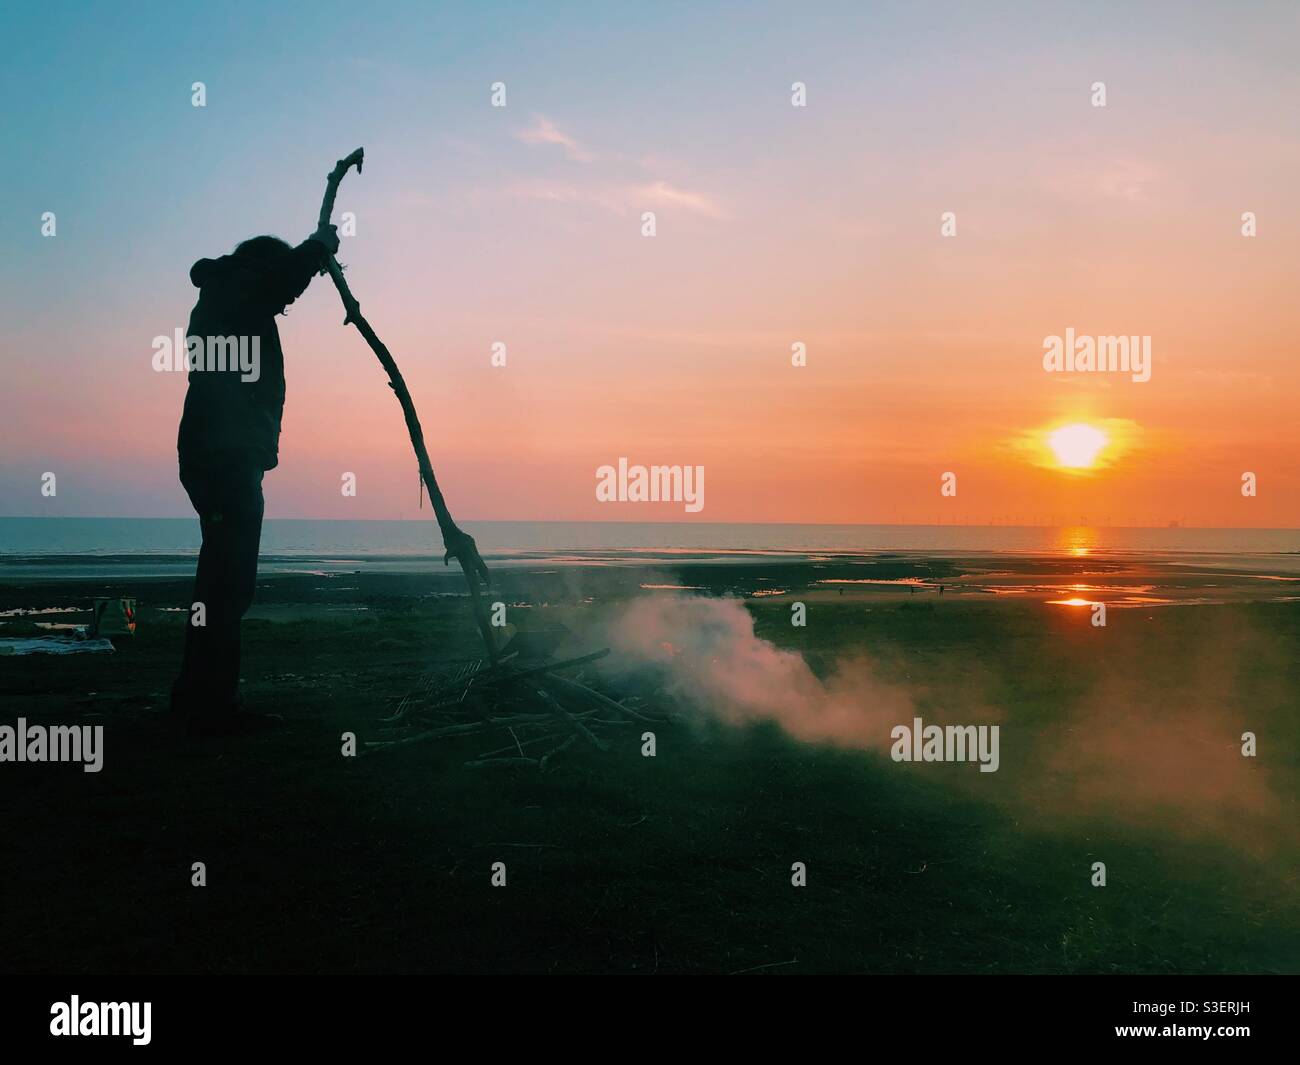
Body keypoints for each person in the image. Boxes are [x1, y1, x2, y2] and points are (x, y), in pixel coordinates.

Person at [171, 224, 340, 734]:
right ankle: (210, 705)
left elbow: (276, 290)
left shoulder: (226, 293)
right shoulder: (237, 288)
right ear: (262, 267)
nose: (283, 310)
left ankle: (200, 698)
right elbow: (280, 284)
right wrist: (319, 249)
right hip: (224, 456)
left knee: (220, 583)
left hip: (219, 454)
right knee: (227, 585)